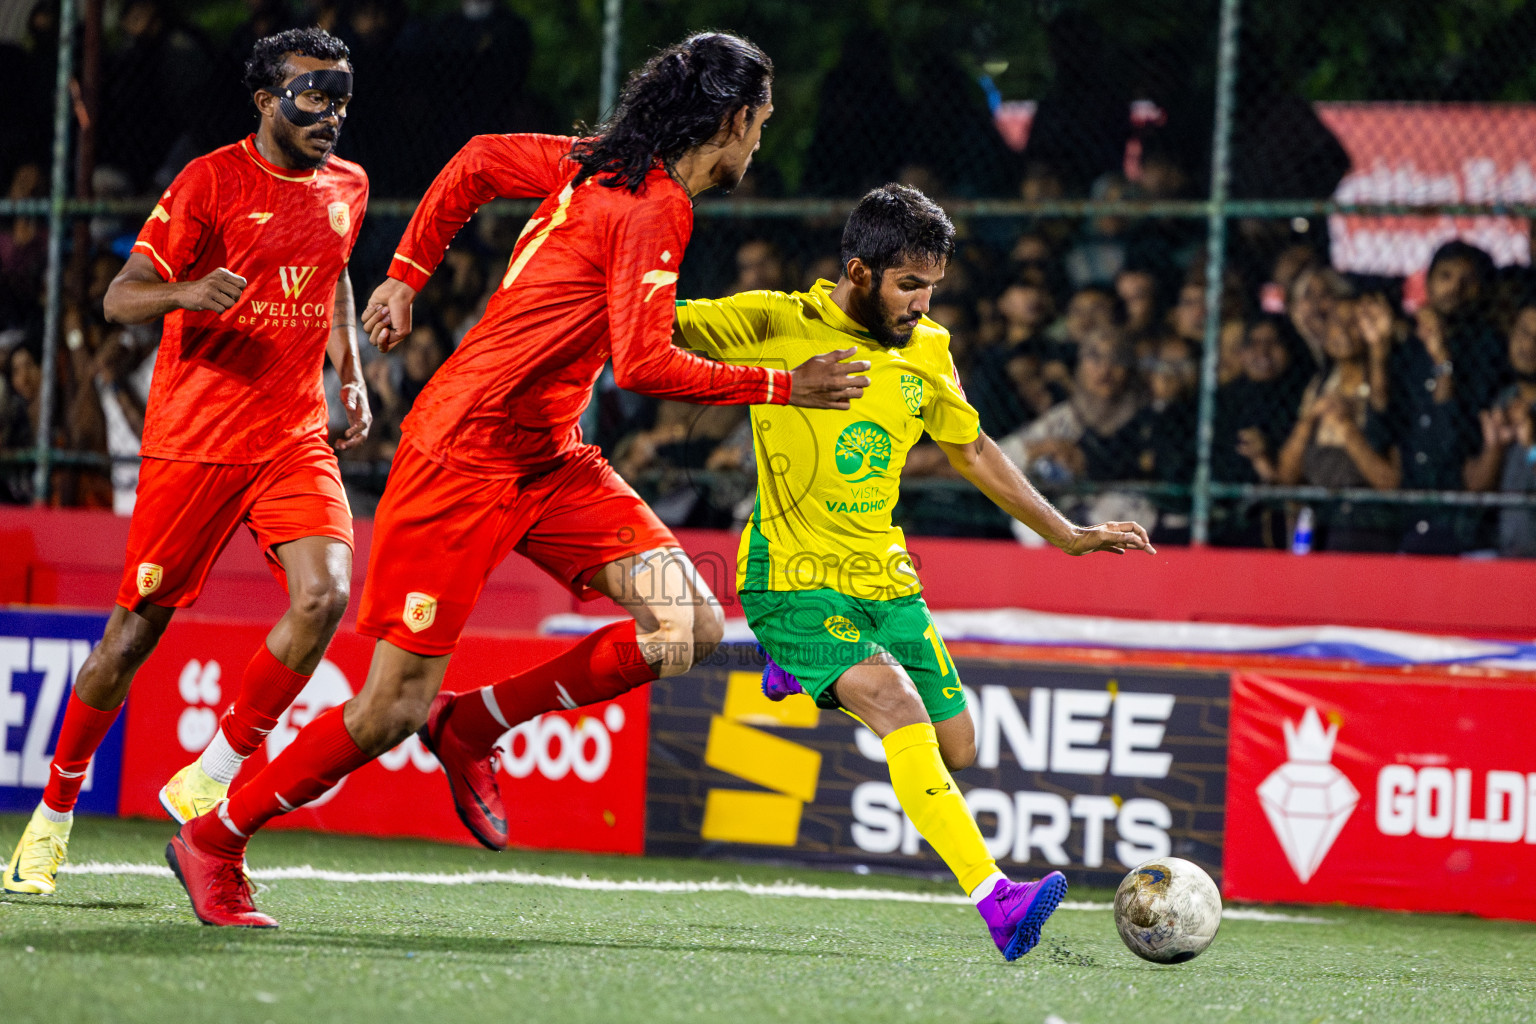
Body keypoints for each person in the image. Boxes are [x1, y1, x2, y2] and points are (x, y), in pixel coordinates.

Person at [166, 31, 867, 928]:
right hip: (460, 459)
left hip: (550, 457)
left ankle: (474, 725)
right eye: (761, 123)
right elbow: (644, 364)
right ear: (732, 120)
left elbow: (476, 161)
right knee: (389, 708)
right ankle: (216, 838)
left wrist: (409, 275)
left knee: (688, 625)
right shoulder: (654, 204)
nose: (760, 142)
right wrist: (783, 386)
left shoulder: (597, 162)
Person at [680, 185, 1152, 960]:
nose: (923, 303)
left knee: (956, 748)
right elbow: (653, 327)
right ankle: (997, 901)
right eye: (909, 285)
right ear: (858, 273)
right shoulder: (775, 321)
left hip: (887, 579)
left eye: (932, 286)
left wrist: (1066, 535)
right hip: (790, 582)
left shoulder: (928, 348)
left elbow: (972, 450)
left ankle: (799, 674)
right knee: (896, 704)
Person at [4, 27, 370, 896]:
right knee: (130, 637)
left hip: (291, 436)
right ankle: (52, 814)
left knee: (325, 595)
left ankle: (215, 766)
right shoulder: (209, 181)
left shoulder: (348, 185)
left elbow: (334, 273)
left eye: (340, 98)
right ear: (266, 100)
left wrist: (350, 374)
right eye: (311, 96)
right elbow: (118, 297)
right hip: (196, 441)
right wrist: (188, 292)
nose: (328, 114)